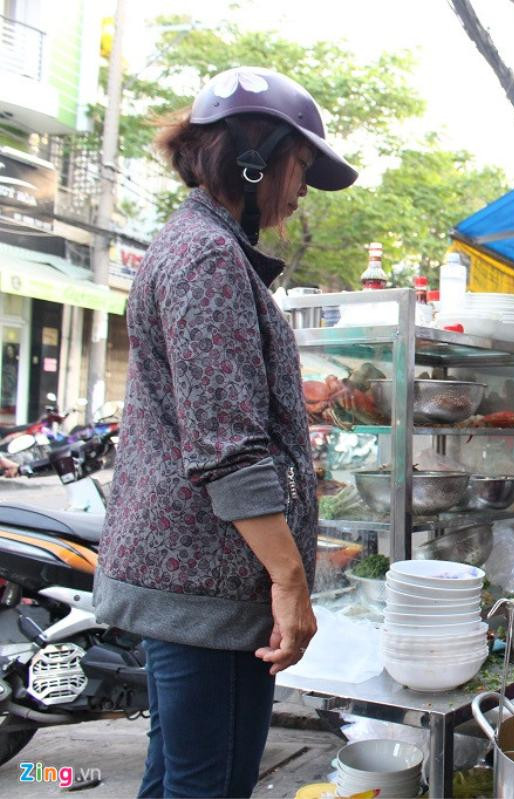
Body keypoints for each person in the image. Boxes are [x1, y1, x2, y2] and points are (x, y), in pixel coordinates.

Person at [94, 67, 357, 798]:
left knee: (180, 775)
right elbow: (225, 446)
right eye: (301, 165)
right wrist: (291, 581)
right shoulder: (208, 258)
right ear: (254, 157)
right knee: (209, 785)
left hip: (202, 582)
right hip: (203, 587)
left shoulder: (204, 247)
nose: (301, 189)